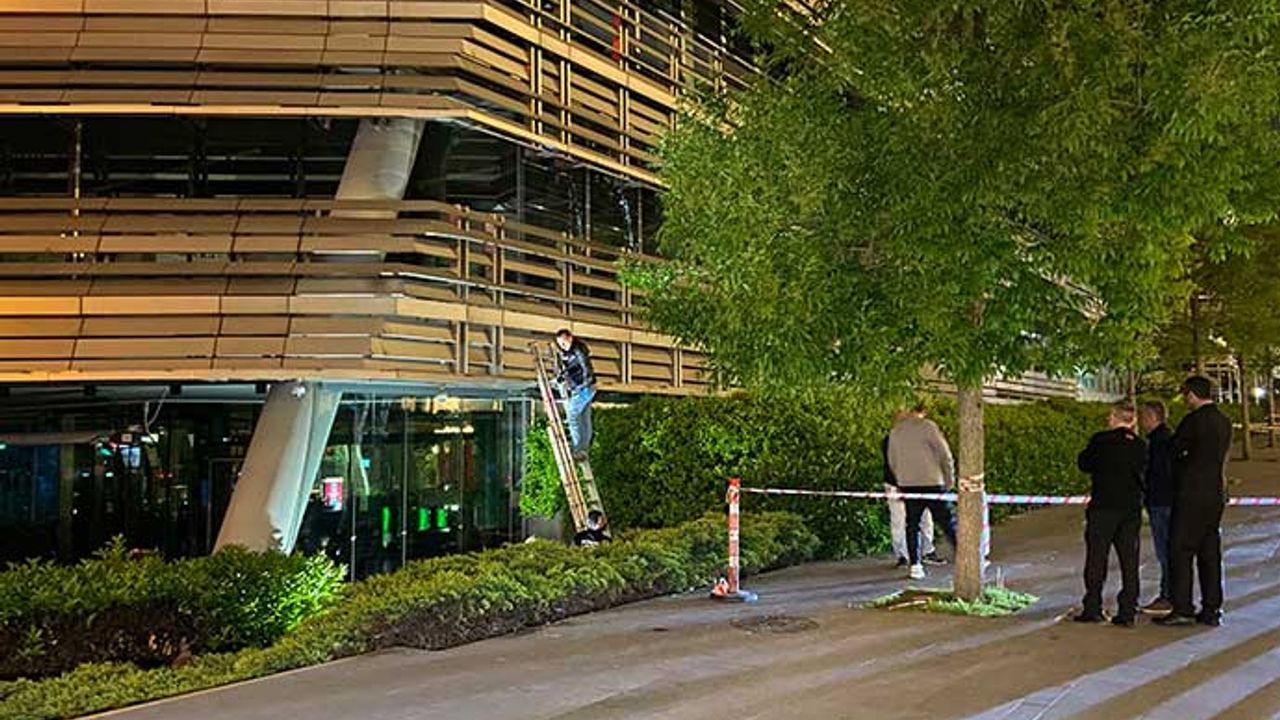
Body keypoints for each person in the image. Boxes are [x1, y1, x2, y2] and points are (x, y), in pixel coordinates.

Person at [1155, 376, 1233, 628]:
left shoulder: (1193, 421)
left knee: (1181, 549)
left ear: (1191, 394)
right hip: (1215, 491)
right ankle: (1212, 608)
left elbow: (1174, 450)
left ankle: (1182, 607)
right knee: (1209, 551)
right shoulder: (1223, 421)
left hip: (1190, 492)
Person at [1075, 401, 1147, 627]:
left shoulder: (1100, 440)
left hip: (1103, 506)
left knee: (1097, 557)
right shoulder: (1140, 445)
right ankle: (1128, 610)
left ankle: (1093, 607)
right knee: (1129, 560)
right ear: (1133, 421)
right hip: (1130, 507)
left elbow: (1084, 463)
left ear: (1114, 417)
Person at [887, 402, 957, 580]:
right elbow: (945, 455)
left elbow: (892, 461)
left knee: (913, 524)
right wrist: (949, 480)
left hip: (908, 485)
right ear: (920, 411)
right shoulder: (928, 427)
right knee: (947, 521)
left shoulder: (895, 432)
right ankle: (964, 555)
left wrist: (901, 480)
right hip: (933, 482)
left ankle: (915, 565)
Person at [883, 416, 940, 569]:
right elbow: (892, 465)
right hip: (898, 486)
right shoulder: (891, 441)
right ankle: (903, 556)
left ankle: (926, 551)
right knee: (900, 521)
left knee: (925, 519)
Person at [1139, 400, 1175, 614]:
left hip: (1161, 502)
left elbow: (1156, 473)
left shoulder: (1158, 442)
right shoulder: (1166, 439)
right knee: (1169, 551)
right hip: (1165, 500)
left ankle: (1168, 595)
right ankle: (1171, 594)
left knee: (1165, 551)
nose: (1142, 422)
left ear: (1153, 417)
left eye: (1144, 417)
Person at [554, 328, 597, 460]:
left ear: (570, 338)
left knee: (572, 415)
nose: (563, 346)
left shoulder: (578, 351)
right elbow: (573, 368)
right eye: (560, 344)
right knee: (584, 418)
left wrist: (584, 384)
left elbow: (585, 367)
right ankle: (584, 449)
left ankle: (579, 449)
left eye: (564, 342)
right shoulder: (570, 353)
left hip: (583, 388)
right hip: (583, 388)